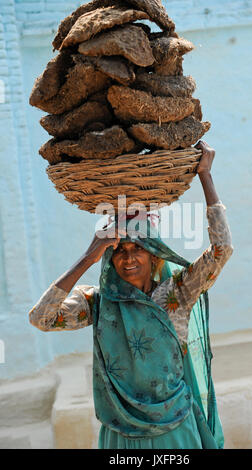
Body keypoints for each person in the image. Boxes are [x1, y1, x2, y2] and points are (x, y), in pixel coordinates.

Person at [29, 141, 233, 449]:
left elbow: (222, 250)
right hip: (121, 435)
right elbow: (41, 318)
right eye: (119, 250)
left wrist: (205, 175)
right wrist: (88, 257)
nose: (128, 258)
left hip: (175, 431)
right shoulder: (97, 304)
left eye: (138, 247)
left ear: (155, 255)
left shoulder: (177, 294)